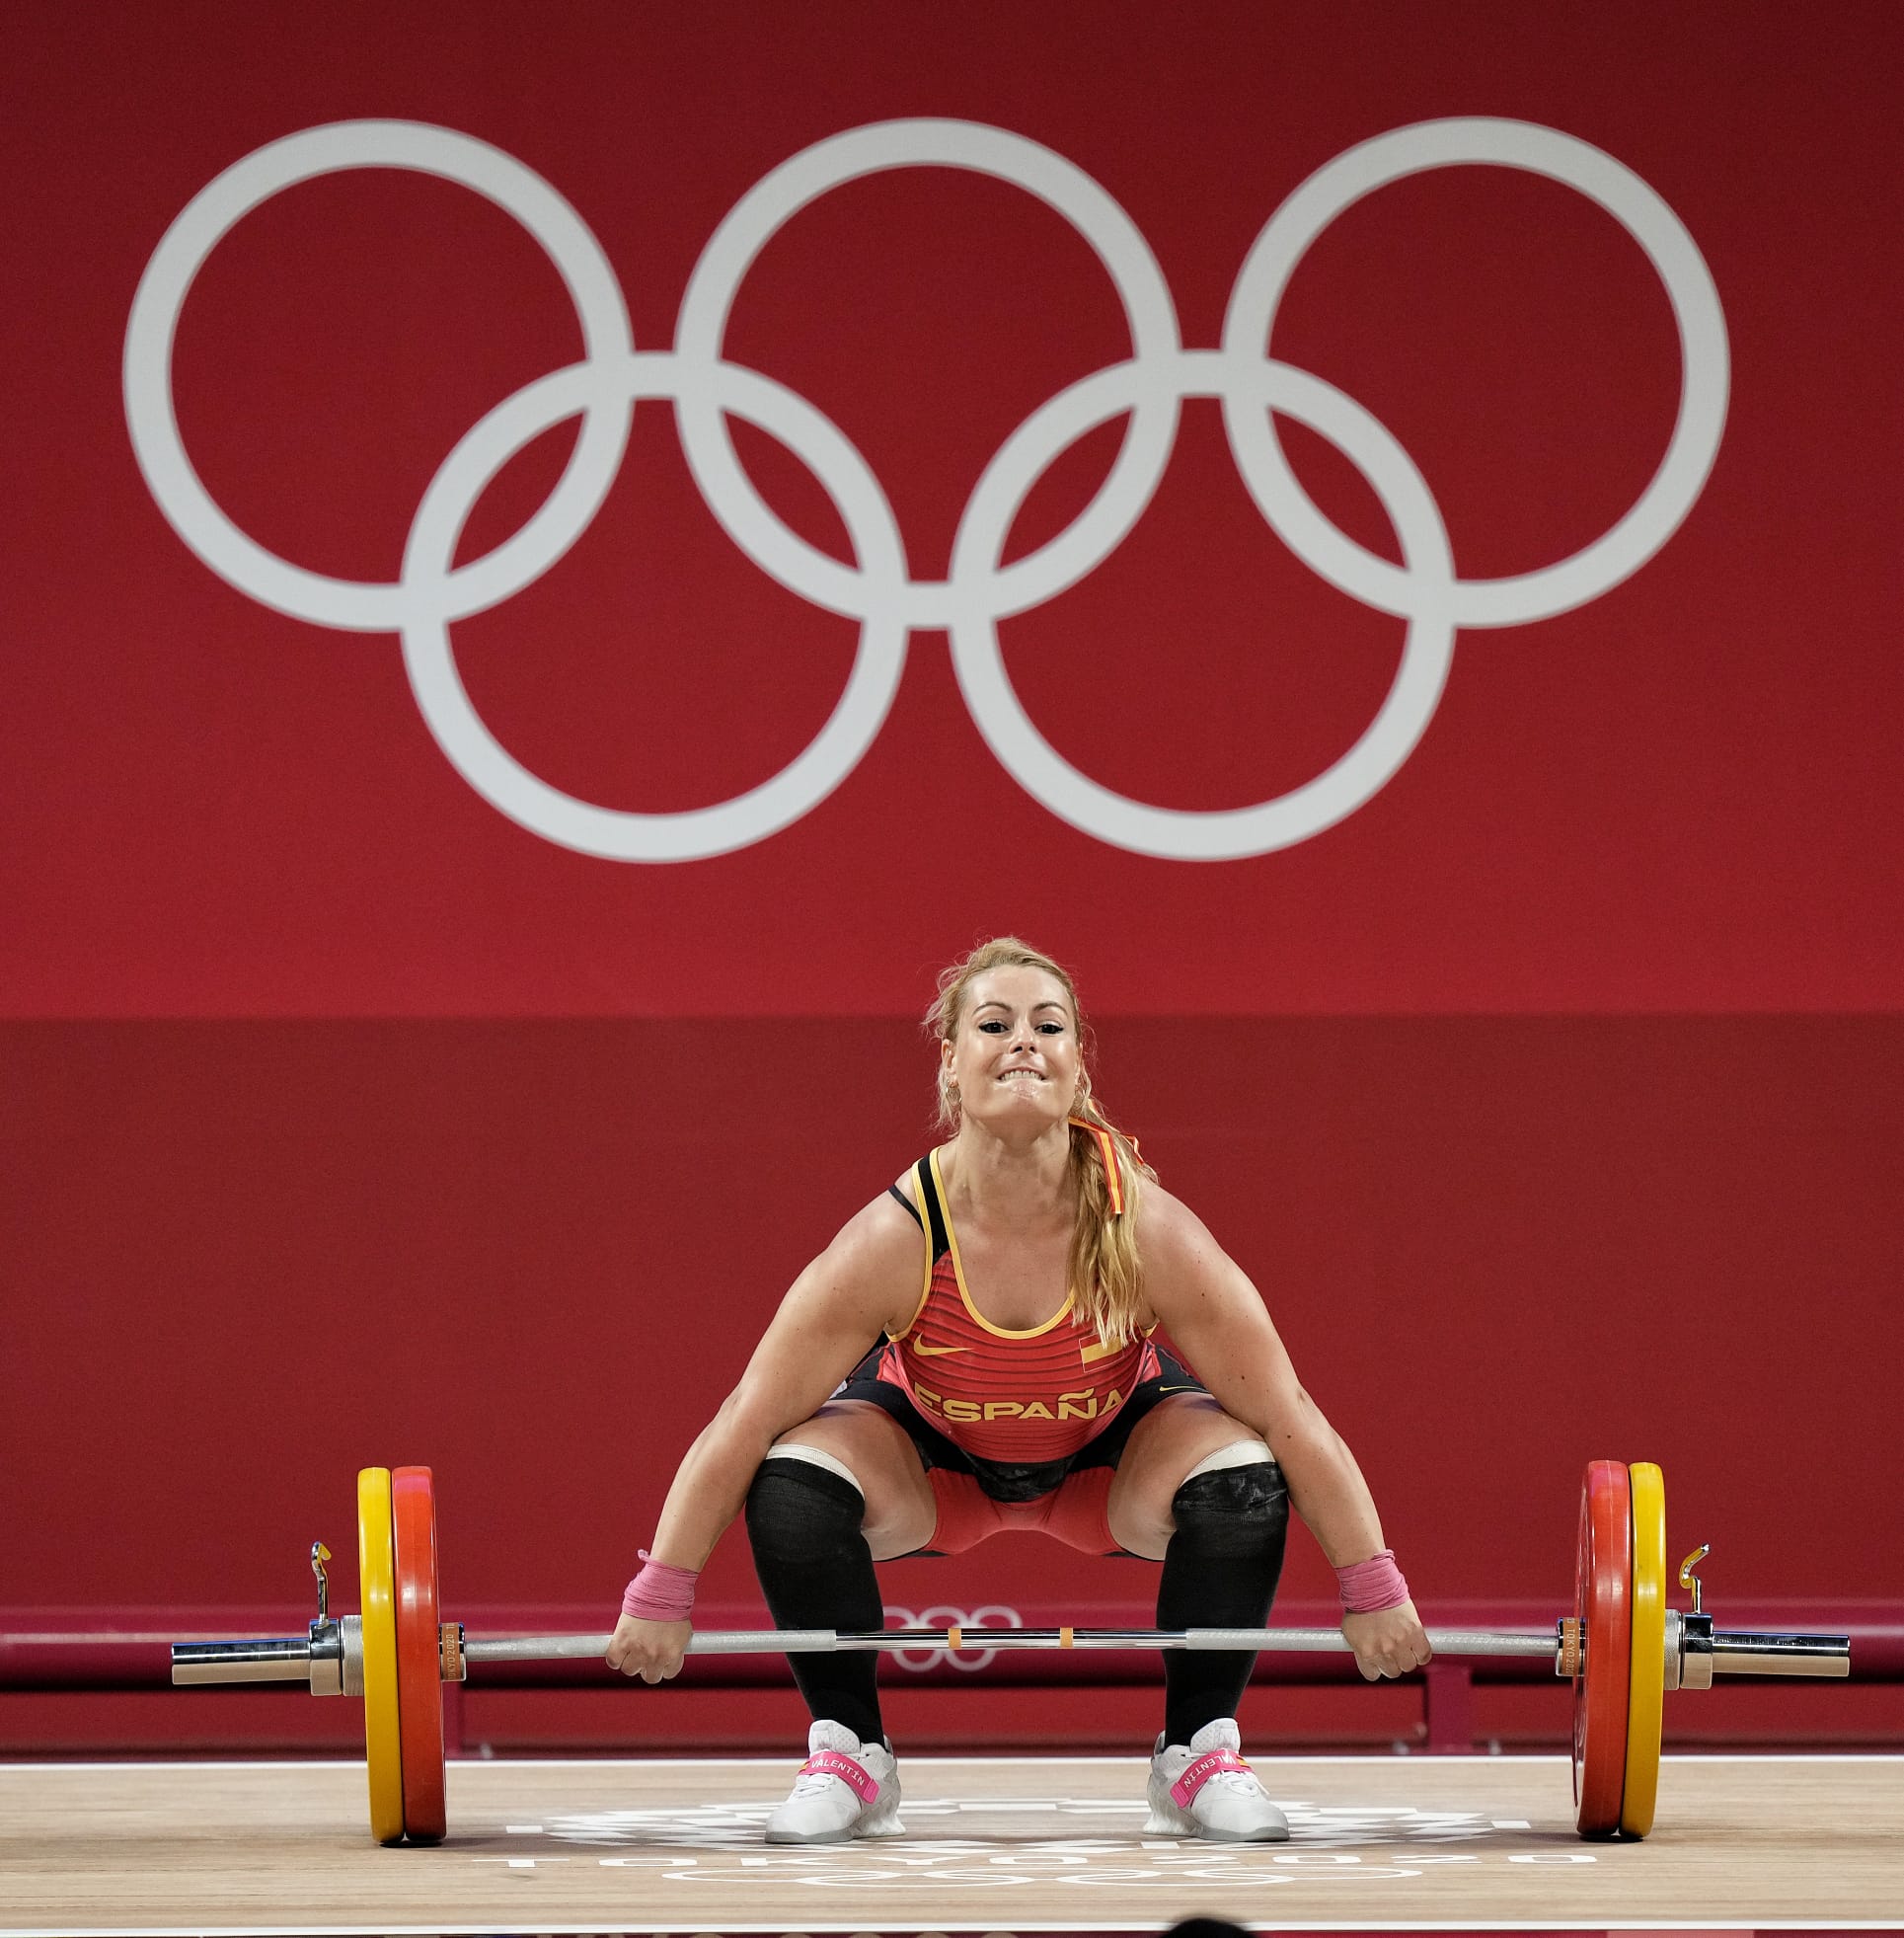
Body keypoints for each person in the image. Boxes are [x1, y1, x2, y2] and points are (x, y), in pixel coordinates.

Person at [607, 936, 1430, 1842]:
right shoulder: (896, 1236)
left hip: (1103, 1470)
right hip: (937, 1472)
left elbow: (1288, 1411)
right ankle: (849, 1750)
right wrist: (662, 1591)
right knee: (791, 1475)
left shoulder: (1144, 1226)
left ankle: (1198, 1752)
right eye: (993, 1024)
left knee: (1245, 1467)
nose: (1023, 1043)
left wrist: (1372, 1585)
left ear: (1078, 1067)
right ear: (951, 1066)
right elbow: (746, 1415)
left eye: (1048, 1025)